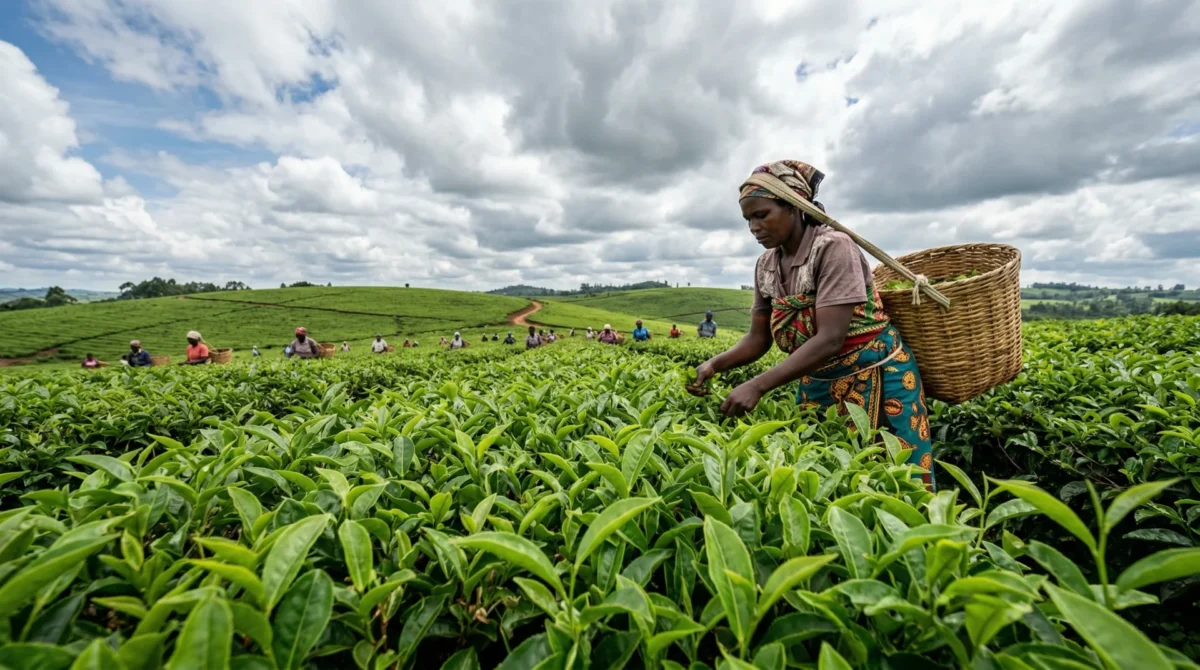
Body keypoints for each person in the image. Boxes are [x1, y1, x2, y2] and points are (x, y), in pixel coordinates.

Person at [687, 159, 934, 489]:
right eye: (748, 219)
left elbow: (831, 338)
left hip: (875, 375)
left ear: (795, 207)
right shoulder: (766, 265)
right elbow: (758, 339)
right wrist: (715, 365)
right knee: (825, 480)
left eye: (762, 215)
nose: (754, 228)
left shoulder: (834, 247)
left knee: (895, 481)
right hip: (817, 380)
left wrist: (757, 385)